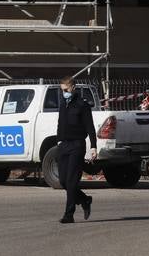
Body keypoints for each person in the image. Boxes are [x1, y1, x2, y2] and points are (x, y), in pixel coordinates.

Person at [56, 75, 97, 223]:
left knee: (71, 181)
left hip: (77, 145)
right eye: (62, 90)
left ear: (73, 88)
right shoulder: (63, 103)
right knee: (63, 181)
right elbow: (60, 123)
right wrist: (59, 140)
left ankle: (69, 215)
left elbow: (90, 127)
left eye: (66, 90)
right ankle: (84, 199)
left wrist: (93, 146)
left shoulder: (82, 105)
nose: (64, 93)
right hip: (64, 145)